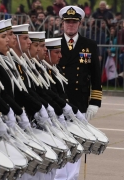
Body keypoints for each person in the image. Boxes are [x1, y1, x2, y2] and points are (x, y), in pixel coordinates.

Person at [57, 5, 102, 180]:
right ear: (62, 23)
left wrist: (95, 102)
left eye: (74, 22)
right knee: (60, 142)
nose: (70, 25)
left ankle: (72, 177)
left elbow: (96, 76)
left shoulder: (89, 45)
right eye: (67, 22)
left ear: (80, 23)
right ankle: (59, 177)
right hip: (58, 102)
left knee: (77, 144)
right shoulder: (54, 44)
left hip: (80, 102)